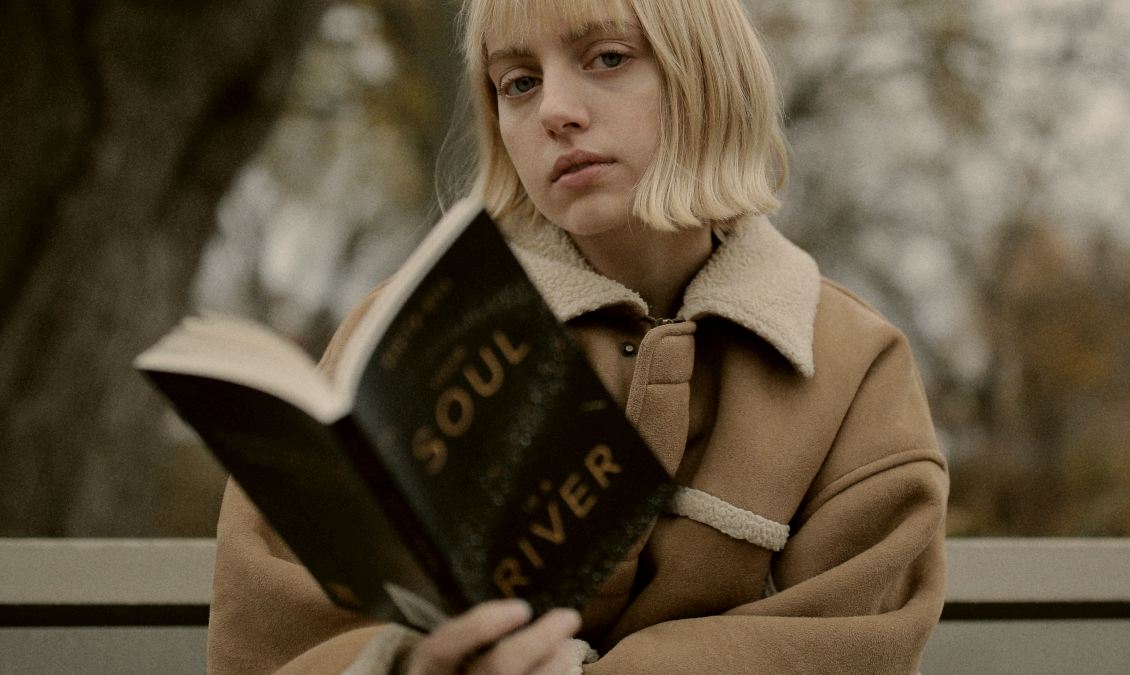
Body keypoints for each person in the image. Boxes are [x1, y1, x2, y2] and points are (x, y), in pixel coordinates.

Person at [207, 0, 949, 672]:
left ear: (705, 77)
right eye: (518, 83)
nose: (555, 111)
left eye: (608, 59)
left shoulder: (852, 363)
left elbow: (850, 644)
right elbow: (269, 640)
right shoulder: (408, 338)